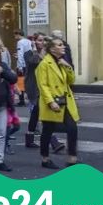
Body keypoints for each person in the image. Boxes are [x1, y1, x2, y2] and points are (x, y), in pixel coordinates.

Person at [37, 37, 80, 169]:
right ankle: (45, 158)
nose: (63, 47)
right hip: (53, 102)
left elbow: (71, 81)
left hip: (65, 101)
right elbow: (43, 85)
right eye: (60, 45)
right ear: (52, 49)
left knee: (72, 128)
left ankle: (72, 158)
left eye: (63, 45)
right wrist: (50, 101)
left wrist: (67, 67)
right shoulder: (44, 64)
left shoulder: (62, 62)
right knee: (47, 130)